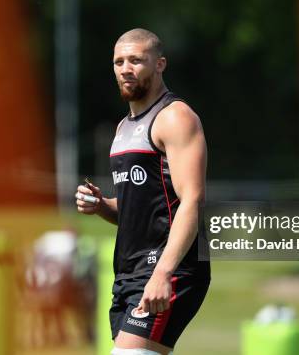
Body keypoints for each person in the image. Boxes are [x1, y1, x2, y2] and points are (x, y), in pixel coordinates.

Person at [75, 28, 210, 355]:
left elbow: (191, 200)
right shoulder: (123, 128)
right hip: (129, 274)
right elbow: (143, 210)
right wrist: (103, 206)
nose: (125, 68)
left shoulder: (175, 117)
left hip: (170, 268)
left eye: (136, 60)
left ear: (160, 64)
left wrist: (163, 273)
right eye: (119, 61)